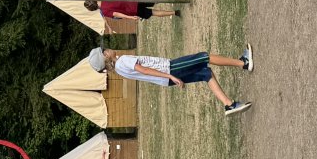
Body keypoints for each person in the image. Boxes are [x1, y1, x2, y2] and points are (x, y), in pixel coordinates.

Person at [88, 45, 253, 116]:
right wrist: (170, 75)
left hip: (166, 78)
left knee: (205, 73)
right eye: (104, 50)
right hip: (170, 69)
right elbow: (144, 70)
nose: (107, 49)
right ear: (105, 56)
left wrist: (169, 79)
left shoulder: (119, 69)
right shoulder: (123, 61)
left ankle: (229, 105)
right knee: (204, 57)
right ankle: (244, 63)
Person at [83, 0, 180, 21]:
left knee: (153, 12)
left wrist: (130, 17)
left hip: (133, 11)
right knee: (155, 0)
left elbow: (117, 14)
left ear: (93, 9)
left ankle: (175, 12)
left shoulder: (104, 11)